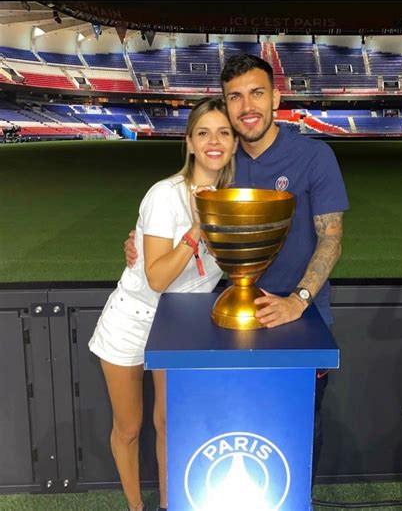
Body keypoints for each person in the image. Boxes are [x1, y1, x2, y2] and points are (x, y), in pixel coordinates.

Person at [125, 54, 349, 481]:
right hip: (228, 317)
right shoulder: (223, 162)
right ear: (226, 105)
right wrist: (135, 240)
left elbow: (332, 238)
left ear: (276, 98)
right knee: (236, 426)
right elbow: (176, 207)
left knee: (298, 430)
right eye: (235, 97)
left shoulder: (314, 157)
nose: (247, 106)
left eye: (256, 93)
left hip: (300, 320)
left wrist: (298, 301)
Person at [89, 97, 238, 511]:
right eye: (204, 133)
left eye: (224, 133)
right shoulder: (164, 195)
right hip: (133, 320)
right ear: (189, 142)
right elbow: (156, 277)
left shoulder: (234, 198)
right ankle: (137, 507)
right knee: (130, 427)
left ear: (234, 144)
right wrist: (197, 228)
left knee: (171, 426)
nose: (214, 141)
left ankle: (171, 505)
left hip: (182, 327)